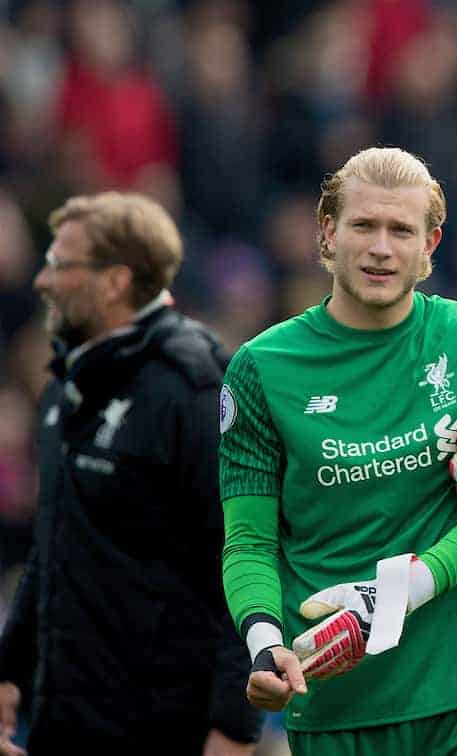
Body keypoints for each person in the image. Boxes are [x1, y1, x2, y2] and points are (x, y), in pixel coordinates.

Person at [218, 147, 457, 755]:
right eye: (364, 226)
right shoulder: (261, 369)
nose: (381, 248)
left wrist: (394, 593)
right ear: (328, 231)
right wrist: (264, 642)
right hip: (337, 715)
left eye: (402, 230)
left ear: (430, 245)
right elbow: (250, 543)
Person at [0, 193, 264, 755]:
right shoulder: (68, 385)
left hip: (164, 728)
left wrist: (233, 728)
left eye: (61, 265)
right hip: (67, 719)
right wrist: (9, 669)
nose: (43, 281)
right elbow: (56, 542)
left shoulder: (192, 391)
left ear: (115, 281)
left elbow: (245, 555)